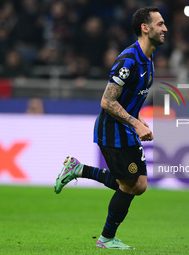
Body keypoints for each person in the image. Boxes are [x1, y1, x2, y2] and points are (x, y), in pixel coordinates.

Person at [54, 6, 167, 250]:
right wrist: (135, 121)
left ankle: (78, 169)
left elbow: (130, 97)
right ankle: (106, 239)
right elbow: (107, 101)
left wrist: (137, 117)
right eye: (160, 24)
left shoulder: (148, 58)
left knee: (139, 184)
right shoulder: (128, 60)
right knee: (129, 185)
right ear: (145, 28)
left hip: (126, 127)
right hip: (112, 131)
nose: (165, 28)